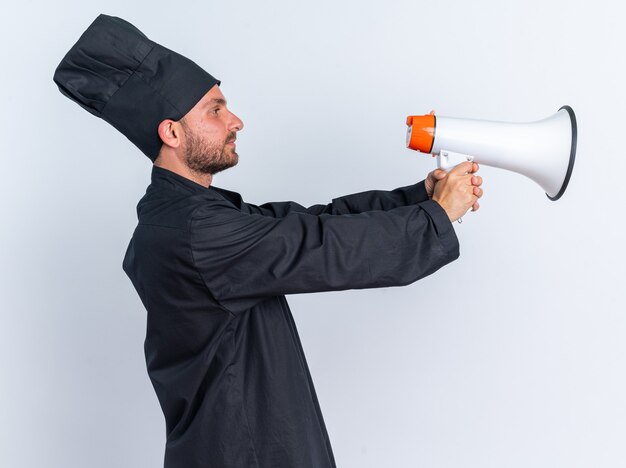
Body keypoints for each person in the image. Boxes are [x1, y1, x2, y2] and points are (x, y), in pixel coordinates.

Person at [54, 14, 483, 468]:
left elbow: (313, 221)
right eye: (215, 110)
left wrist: (420, 198)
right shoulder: (198, 231)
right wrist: (435, 217)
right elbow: (320, 246)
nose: (236, 120)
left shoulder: (192, 216)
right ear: (172, 133)